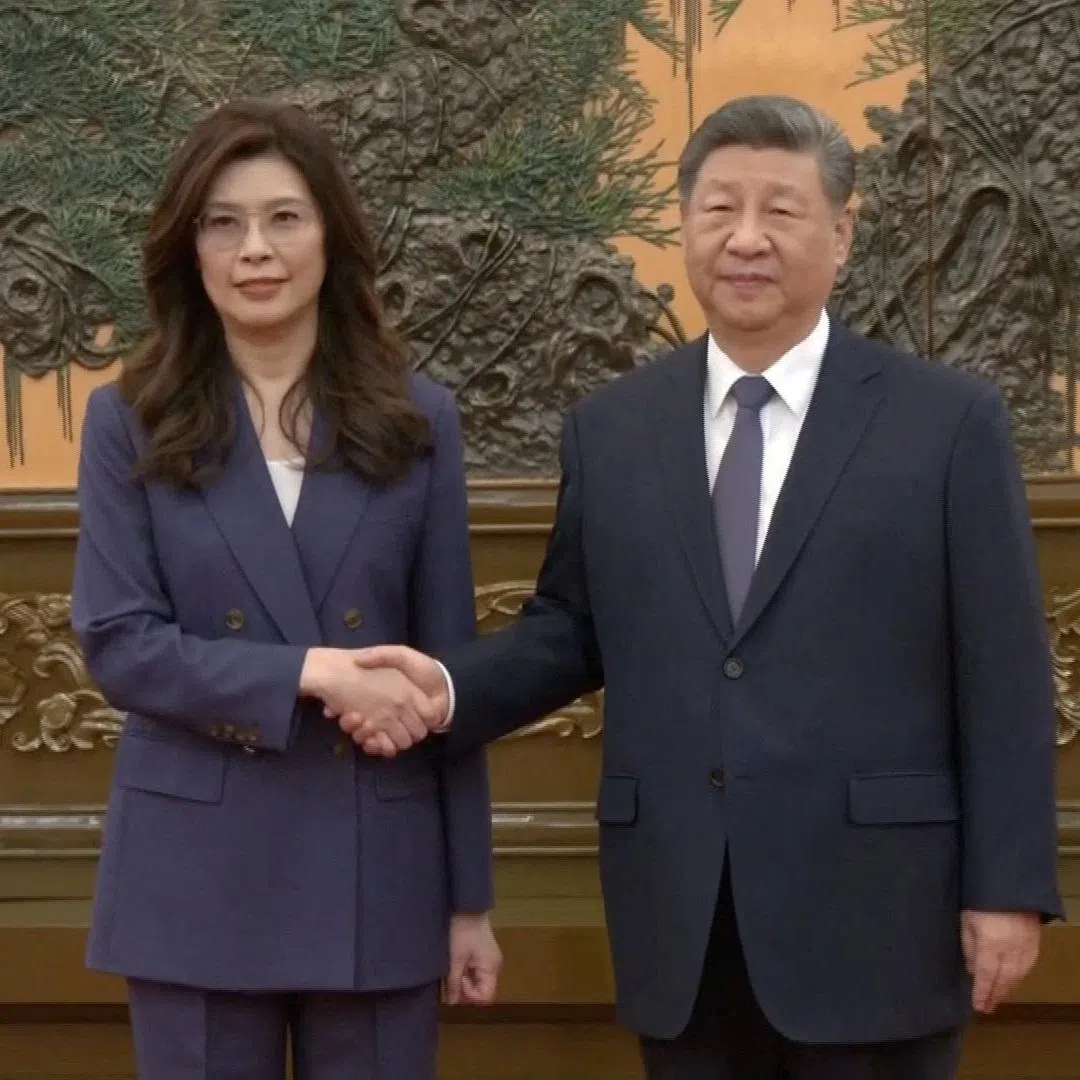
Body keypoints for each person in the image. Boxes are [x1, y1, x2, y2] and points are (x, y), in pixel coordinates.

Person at [342, 95, 1062, 1079]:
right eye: (719, 209)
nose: (746, 238)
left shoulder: (947, 424)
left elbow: (1005, 670)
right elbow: (571, 629)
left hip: (881, 915)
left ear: (843, 232)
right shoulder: (614, 428)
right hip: (683, 914)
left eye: (780, 210)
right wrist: (446, 689)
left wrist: (1008, 886)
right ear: (684, 227)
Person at [71, 99, 501, 1080]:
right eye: (222, 223)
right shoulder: (129, 419)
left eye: (283, 218)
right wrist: (316, 672)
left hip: (380, 871)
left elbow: (451, 677)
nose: (254, 250)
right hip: (194, 875)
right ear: (189, 249)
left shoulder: (416, 419)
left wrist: (469, 900)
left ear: (330, 237)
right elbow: (121, 643)